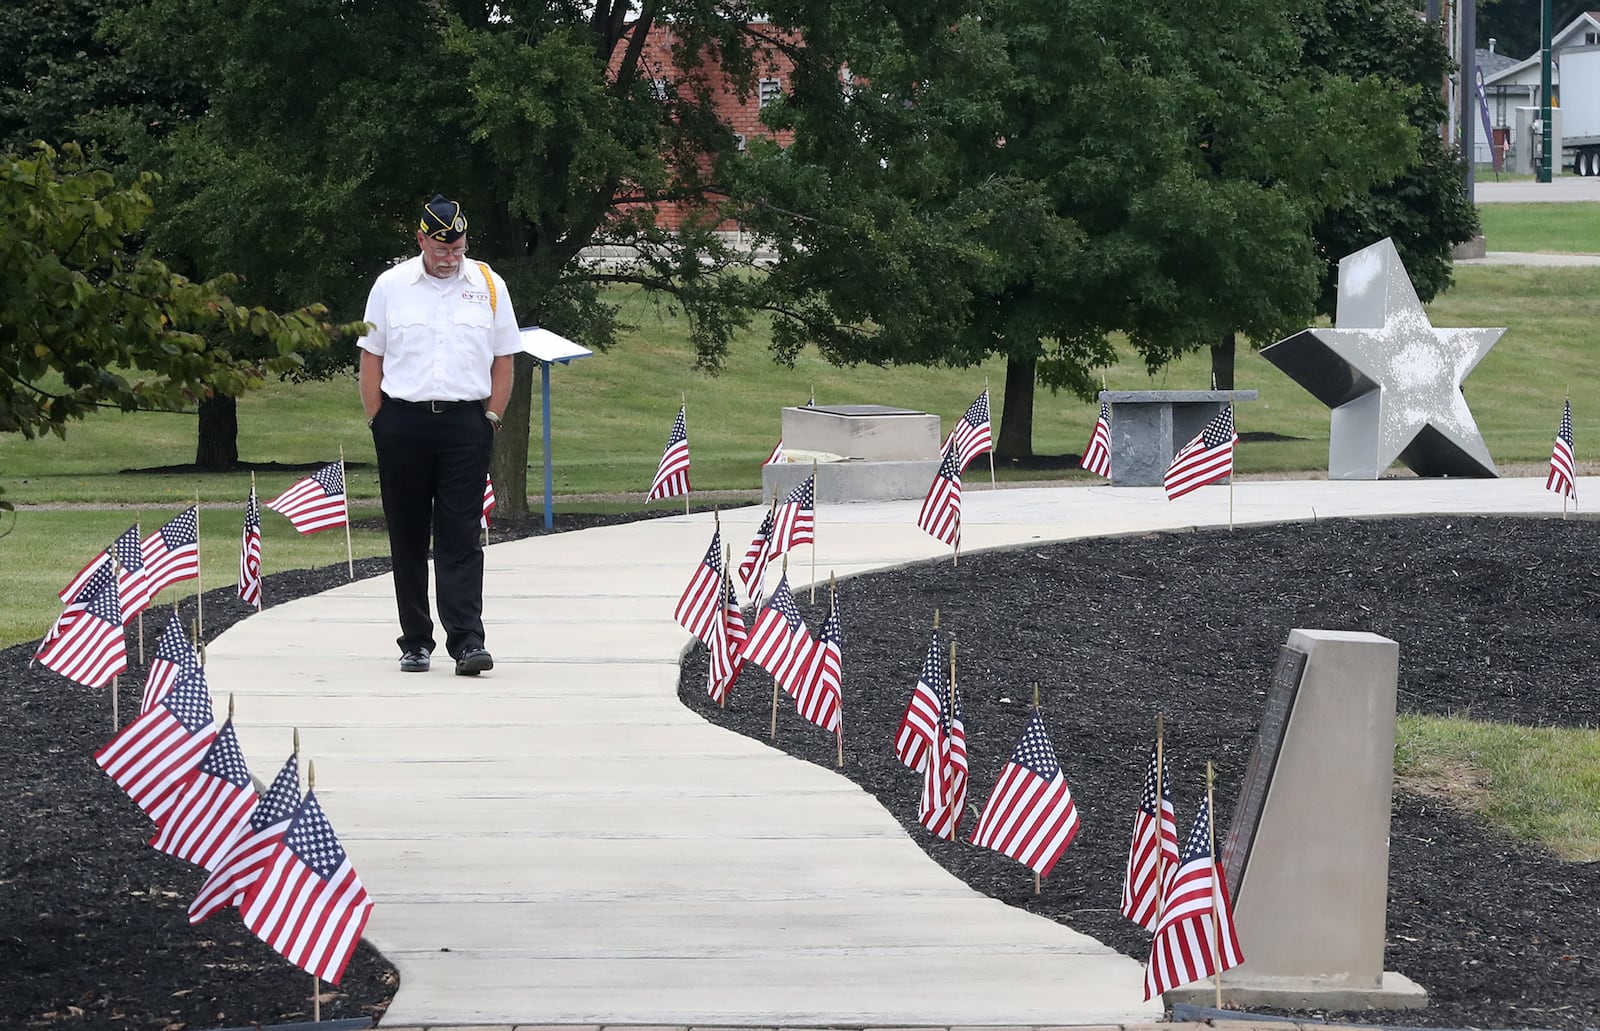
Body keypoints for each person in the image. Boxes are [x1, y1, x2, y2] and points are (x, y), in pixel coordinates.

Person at [359, 194, 520, 675]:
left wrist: (491, 418)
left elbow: (504, 360)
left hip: (465, 424)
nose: (450, 257)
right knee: (407, 535)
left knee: (461, 535)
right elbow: (372, 358)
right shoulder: (391, 286)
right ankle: (415, 641)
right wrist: (378, 421)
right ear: (421, 239)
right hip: (402, 422)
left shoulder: (489, 284)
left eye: (458, 247)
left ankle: (468, 641)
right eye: (441, 248)